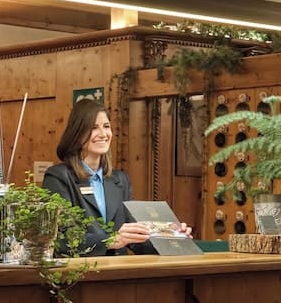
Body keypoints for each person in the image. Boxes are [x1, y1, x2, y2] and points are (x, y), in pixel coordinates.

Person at [42, 100, 190, 256]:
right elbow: (59, 239)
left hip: (120, 270)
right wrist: (110, 240)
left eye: (106, 126)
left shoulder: (120, 180)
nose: (103, 134)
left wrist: (172, 238)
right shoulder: (58, 177)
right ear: (77, 134)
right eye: (93, 128)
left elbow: (135, 240)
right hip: (82, 270)